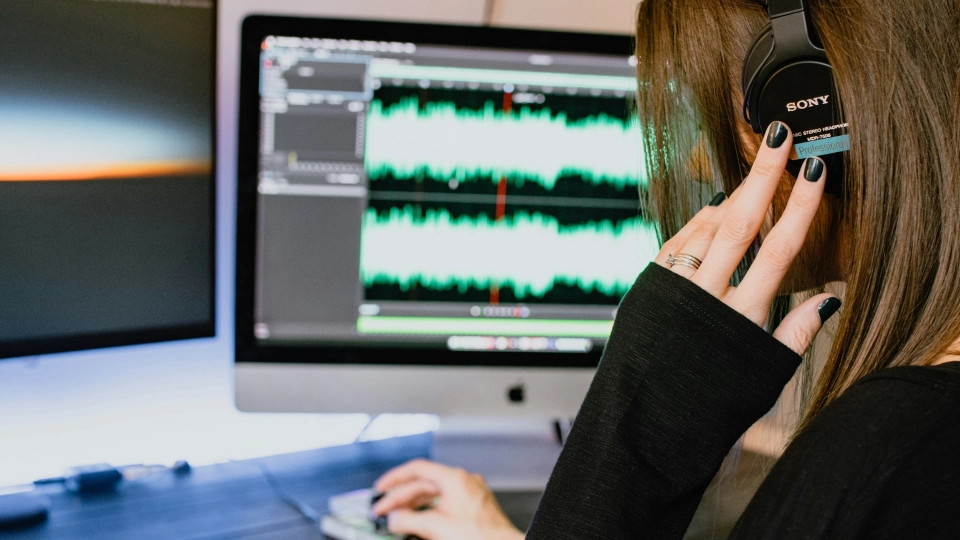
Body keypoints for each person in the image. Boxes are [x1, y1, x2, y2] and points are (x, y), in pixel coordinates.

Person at [371, 0, 960, 538]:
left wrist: (642, 420)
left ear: (814, 109)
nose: (702, 162)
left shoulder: (889, 446)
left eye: (725, 114)